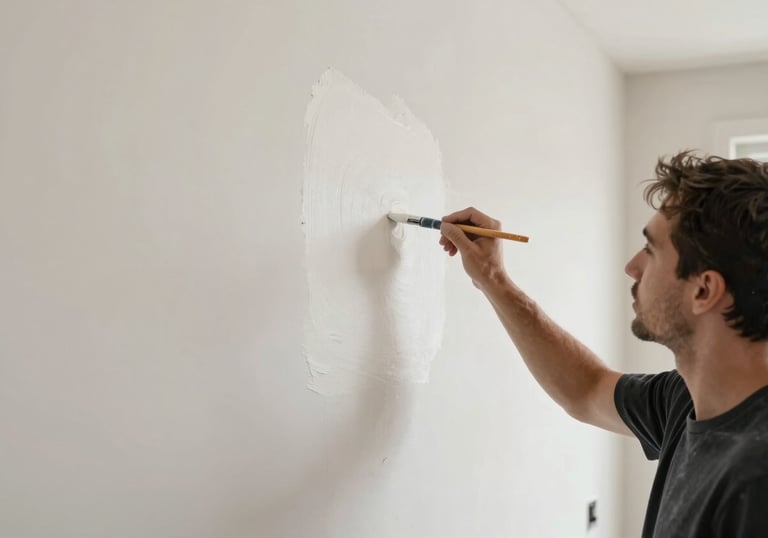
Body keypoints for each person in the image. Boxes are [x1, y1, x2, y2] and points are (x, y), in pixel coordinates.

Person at [438, 151, 768, 538]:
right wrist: (494, 279)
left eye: (651, 250)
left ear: (704, 289)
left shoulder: (756, 479)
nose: (632, 266)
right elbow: (586, 387)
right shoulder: (690, 399)